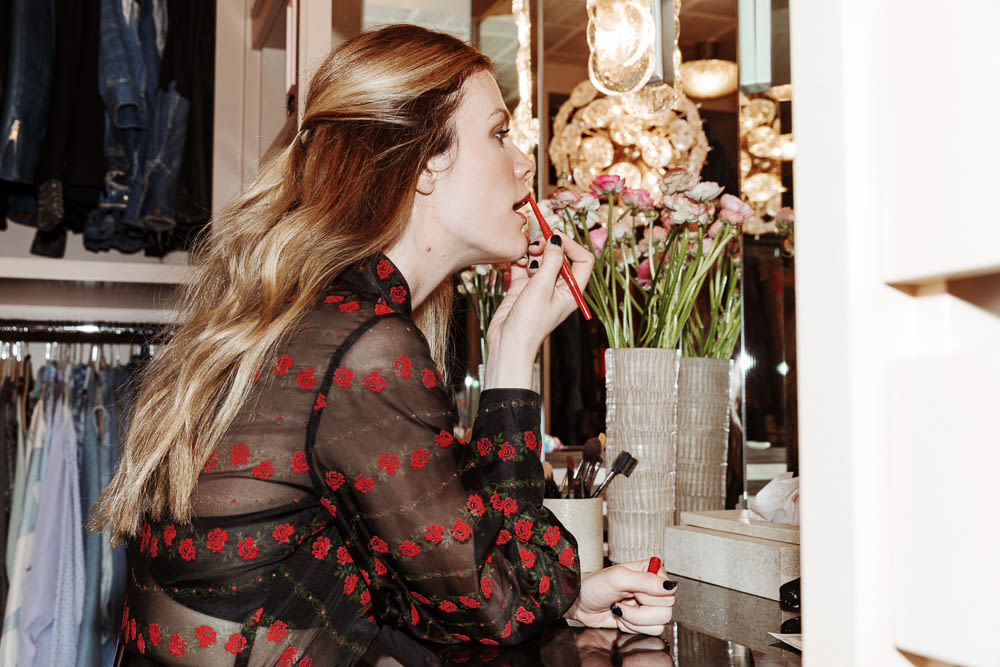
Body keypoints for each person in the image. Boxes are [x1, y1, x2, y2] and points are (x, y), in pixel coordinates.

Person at [89, 24, 677, 666]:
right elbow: (499, 608)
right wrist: (513, 358)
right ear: (424, 164)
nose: (524, 163)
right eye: (499, 133)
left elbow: (411, 584)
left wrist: (566, 595)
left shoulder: (320, 319)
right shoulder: (361, 346)